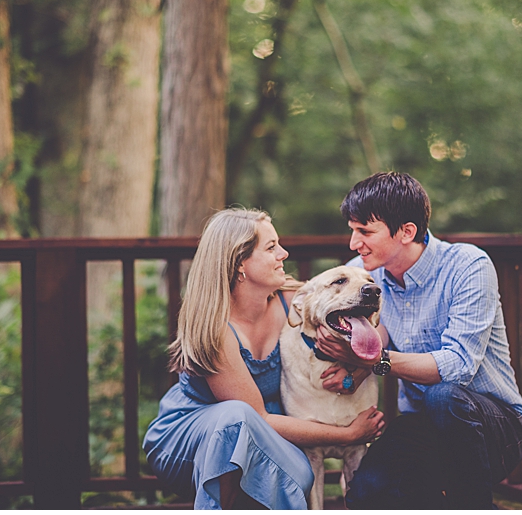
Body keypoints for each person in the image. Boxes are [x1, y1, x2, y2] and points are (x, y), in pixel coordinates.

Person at [314, 171, 522, 509]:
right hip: (424, 424)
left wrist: (374, 362)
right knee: (366, 494)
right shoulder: (364, 273)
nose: (354, 244)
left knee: (443, 395)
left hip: (495, 428)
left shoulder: (468, 266)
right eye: (353, 231)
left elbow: (456, 367)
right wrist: (354, 367)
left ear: (407, 232)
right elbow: (369, 326)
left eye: (365, 232)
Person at [143, 208, 384, 509]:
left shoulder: (290, 300)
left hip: (264, 432)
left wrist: (360, 365)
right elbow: (258, 418)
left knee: (300, 472)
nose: (283, 253)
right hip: (193, 441)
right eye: (271, 247)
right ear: (239, 263)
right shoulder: (216, 329)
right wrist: (348, 435)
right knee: (236, 418)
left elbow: (359, 318)